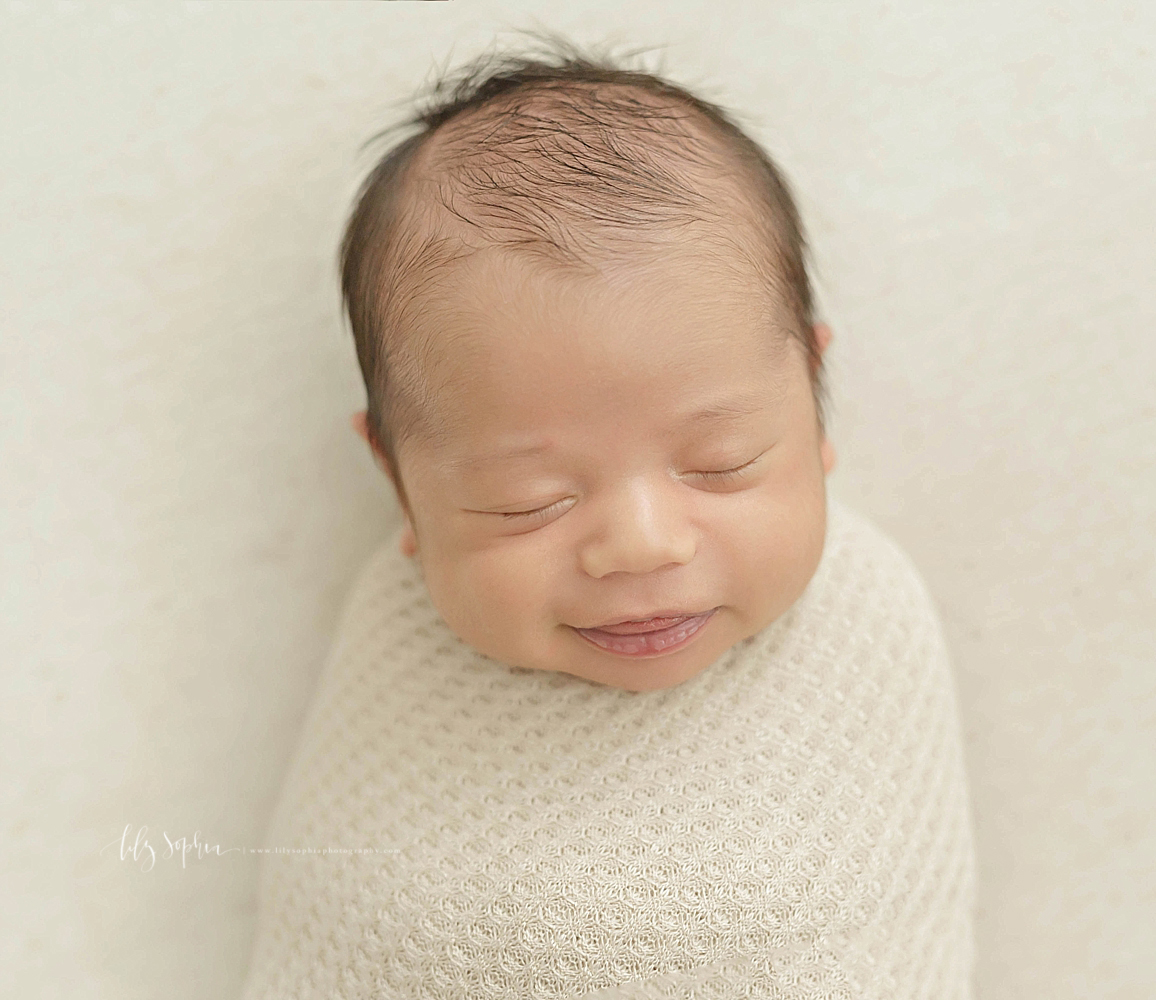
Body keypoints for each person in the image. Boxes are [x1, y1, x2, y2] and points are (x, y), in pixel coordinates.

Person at [242, 39, 975, 998]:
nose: (641, 545)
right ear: (396, 481)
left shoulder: (865, 619)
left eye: (722, 464)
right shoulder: (399, 640)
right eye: (527, 503)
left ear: (815, 396)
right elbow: (347, 932)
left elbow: (891, 926)